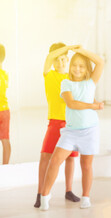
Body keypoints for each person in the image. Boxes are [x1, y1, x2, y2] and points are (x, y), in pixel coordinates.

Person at [40, 46, 104, 210]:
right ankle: (45, 196)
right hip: (70, 132)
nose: (77, 68)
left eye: (81, 66)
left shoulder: (91, 83)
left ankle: (86, 197)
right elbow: (71, 104)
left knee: (86, 165)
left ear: (87, 69)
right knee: (55, 161)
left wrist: (82, 51)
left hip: (90, 131)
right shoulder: (65, 83)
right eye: (74, 64)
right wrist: (94, 105)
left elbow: (100, 61)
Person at [34, 43, 81, 208]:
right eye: (57, 59)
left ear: (67, 59)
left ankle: (68, 190)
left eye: (63, 59)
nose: (60, 62)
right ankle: (40, 193)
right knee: (45, 157)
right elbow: (49, 58)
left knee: (70, 158)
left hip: (71, 124)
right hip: (54, 123)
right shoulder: (49, 74)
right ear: (52, 60)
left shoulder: (72, 77)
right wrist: (68, 47)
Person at [0, 43, 11, 165]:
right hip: (5, 110)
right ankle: (5, 166)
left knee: (5, 140)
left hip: (2, 111)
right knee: (5, 139)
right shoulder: (5, 74)